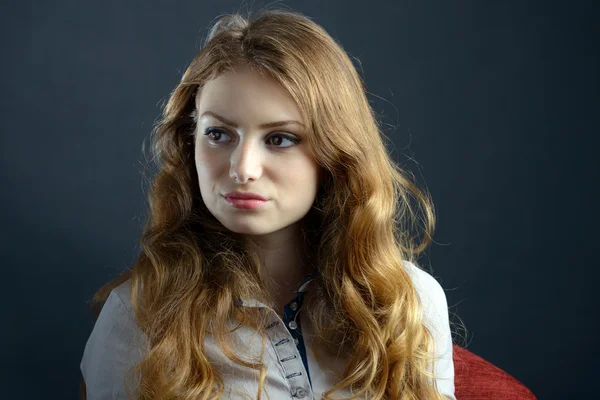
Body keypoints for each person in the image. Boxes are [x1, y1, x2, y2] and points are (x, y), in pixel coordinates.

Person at [80, 7, 456, 400]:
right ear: (189, 141)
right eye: (219, 134)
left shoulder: (411, 304)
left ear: (335, 154)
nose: (243, 168)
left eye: (280, 139)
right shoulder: (138, 317)